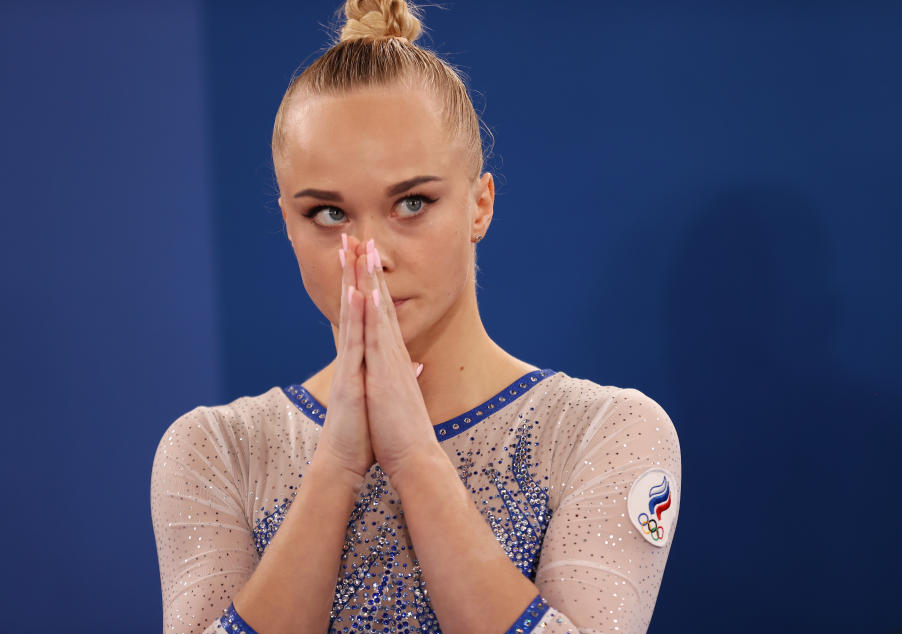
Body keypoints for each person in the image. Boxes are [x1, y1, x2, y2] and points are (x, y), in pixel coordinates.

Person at [149, 1, 682, 632]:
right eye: (328, 213)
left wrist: (415, 462)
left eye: (411, 202)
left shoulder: (603, 433)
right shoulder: (216, 451)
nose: (371, 256)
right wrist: (336, 467)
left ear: (479, 205)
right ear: (288, 226)